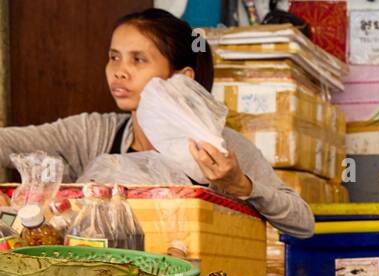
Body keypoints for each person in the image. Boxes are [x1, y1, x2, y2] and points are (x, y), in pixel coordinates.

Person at [0, 8, 313, 238]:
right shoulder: (94, 133)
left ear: (181, 78)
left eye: (138, 60)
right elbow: (9, 144)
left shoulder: (221, 148)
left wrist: (241, 185)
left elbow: (302, 223)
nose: (119, 72)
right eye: (114, 57)